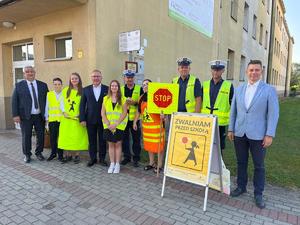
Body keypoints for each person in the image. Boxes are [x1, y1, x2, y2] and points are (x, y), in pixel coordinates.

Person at [228, 60, 279, 209]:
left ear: (261, 72)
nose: (253, 73)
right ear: (246, 72)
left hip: (259, 134)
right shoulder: (239, 89)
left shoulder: (269, 89)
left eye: (257, 70)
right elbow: (233, 111)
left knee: (259, 165)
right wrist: (231, 129)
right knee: (241, 162)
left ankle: (258, 193)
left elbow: (273, 114)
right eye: (251, 70)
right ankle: (241, 187)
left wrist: (269, 134)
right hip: (240, 132)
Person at [12, 66, 49, 163]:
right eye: (27, 72)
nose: (30, 73)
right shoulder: (19, 85)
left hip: (39, 116)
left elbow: (48, 101)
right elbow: (14, 101)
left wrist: (48, 114)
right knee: (26, 136)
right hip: (25, 116)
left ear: (35, 72)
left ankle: (39, 153)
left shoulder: (43, 85)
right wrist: (15, 115)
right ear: (24, 74)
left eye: (31, 71)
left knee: (40, 135)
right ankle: (27, 155)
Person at [201, 60, 234, 156]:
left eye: (218, 70)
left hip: (221, 123)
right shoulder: (205, 84)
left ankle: (219, 168)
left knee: (219, 148)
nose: (216, 72)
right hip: (206, 121)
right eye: (214, 69)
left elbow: (233, 106)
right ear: (211, 70)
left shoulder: (228, 86)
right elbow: (201, 101)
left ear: (223, 70)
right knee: (205, 144)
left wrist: (231, 127)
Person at [133, 79, 165, 173]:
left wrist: (163, 116)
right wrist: (135, 122)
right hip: (146, 127)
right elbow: (139, 111)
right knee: (149, 146)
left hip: (157, 127)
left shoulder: (157, 96)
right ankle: (151, 163)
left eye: (147, 84)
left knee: (159, 146)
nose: (145, 86)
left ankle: (159, 165)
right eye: (143, 85)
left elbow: (164, 109)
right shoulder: (141, 98)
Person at [80, 69, 108, 167]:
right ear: (91, 78)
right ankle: (93, 159)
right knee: (91, 141)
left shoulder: (107, 89)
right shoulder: (86, 89)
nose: (96, 78)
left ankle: (102, 159)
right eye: (94, 76)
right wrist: (82, 119)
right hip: (90, 119)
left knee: (102, 141)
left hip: (103, 120)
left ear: (101, 77)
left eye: (97, 76)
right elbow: (82, 105)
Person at [58, 72, 88, 164]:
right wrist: (64, 112)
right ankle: (68, 155)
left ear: (79, 80)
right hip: (67, 119)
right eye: (72, 79)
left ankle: (77, 155)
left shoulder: (83, 91)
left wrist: (81, 114)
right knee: (67, 137)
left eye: (76, 78)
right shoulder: (66, 90)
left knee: (77, 137)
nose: (74, 80)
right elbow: (61, 102)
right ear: (70, 80)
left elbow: (85, 104)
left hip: (77, 119)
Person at [101, 80, 128, 173]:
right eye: (112, 86)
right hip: (108, 126)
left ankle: (117, 164)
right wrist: (108, 124)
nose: (114, 87)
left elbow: (124, 112)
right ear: (110, 87)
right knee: (111, 145)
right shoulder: (105, 98)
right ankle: (112, 163)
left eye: (116, 86)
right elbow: (102, 112)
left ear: (118, 87)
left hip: (119, 125)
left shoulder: (123, 99)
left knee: (118, 144)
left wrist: (116, 123)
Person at [120, 70, 143, 167]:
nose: (129, 79)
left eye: (131, 77)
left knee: (136, 139)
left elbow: (142, 103)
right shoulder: (120, 89)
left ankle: (136, 158)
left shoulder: (139, 88)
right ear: (125, 78)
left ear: (134, 78)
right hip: (124, 118)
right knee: (124, 139)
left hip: (135, 119)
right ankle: (127, 157)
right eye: (127, 77)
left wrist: (134, 102)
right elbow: (117, 102)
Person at [45, 77, 64, 161]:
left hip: (62, 120)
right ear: (53, 85)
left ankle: (60, 155)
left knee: (61, 138)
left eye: (59, 84)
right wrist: (46, 118)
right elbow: (47, 107)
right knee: (53, 138)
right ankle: (53, 153)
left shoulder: (64, 94)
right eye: (55, 84)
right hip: (52, 120)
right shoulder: (49, 94)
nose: (57, 86)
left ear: (61, 85)